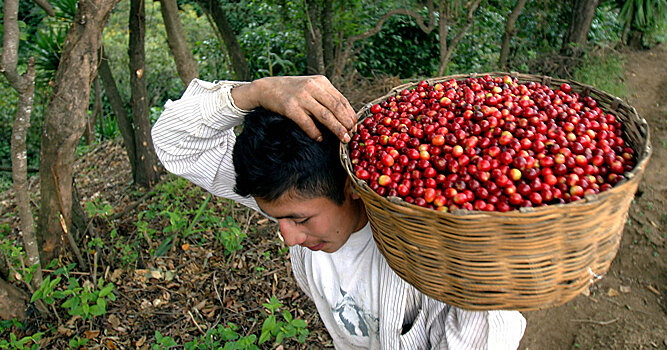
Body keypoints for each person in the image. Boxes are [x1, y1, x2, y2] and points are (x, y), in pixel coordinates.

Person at [151, 76, 526, 349]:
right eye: (277, 219)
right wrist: (258, 92)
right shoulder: (293, 193)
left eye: (300, 221)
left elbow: (488, 333)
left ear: (351, 187)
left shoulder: (428, 246)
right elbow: (174, 143)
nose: (288, 237)